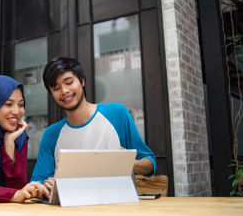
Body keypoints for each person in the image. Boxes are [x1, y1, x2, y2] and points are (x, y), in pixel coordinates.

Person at [30, 56, 156, 195]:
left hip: (118, 207)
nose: (64, 91)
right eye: (56, 88)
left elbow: (150, 163)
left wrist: (130, 163)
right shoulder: (51, 134)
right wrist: (47, 187)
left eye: (69, 82)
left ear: (82, 81)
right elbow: (36, 183)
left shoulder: (117, 114)